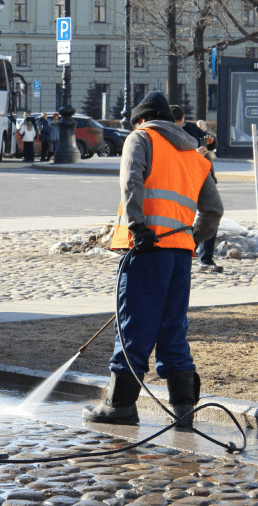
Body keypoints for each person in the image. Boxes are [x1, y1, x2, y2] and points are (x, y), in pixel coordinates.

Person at [82, 92, 223, 430]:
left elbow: (131, 182)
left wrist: (138, 226)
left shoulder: (141, 138)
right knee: (173, 330)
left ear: (141, 119)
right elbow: (214, 210)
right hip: (179, 256)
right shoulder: (194, 154)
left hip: (146, 250)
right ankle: (184, 409)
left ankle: (120, 405)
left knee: (133, 325)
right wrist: (190, 238)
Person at [171, 105, 222, 273]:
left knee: (212, 213)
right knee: (182, 218)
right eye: (179, 123)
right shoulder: (168, 134)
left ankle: (205, 258)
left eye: (183, 122)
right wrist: (195, 156)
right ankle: (181, 252)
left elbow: (210, 143)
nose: (182, 125)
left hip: (205, 176)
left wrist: (210, 141)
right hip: (185, 181)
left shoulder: (191, 127)